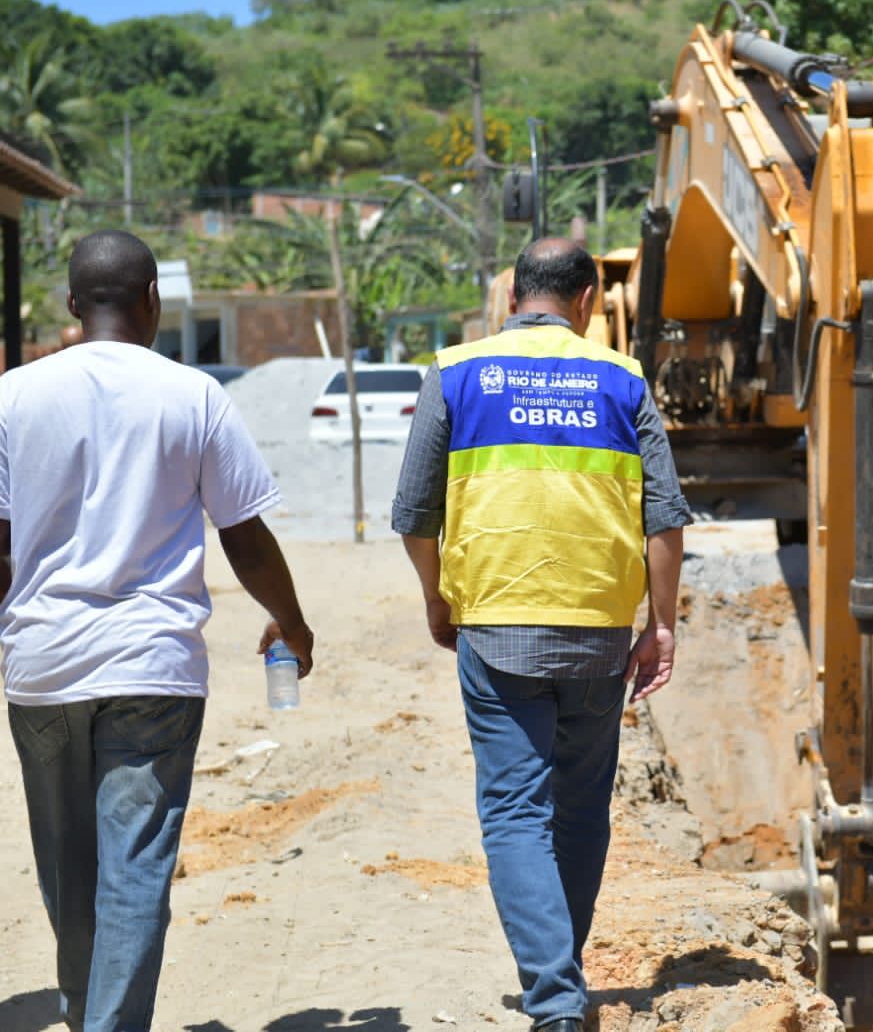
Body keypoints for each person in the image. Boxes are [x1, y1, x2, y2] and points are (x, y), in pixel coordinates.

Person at [1, 229, 315, 1032]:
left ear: (71, 306)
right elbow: (244, 537)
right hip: (152, 668)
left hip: (42, 666)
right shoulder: (195, 394)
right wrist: (292, 622)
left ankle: (84, 1013)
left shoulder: (14, 396)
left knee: (68, 871)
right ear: (153, 302)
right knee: (134, 870)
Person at [392, 237, 691, 1032]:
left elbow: (413, 513)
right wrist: (660, 624)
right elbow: (663, 517)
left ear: (512, 296)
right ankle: (561, 970)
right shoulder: (622, 377)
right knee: (581, 805)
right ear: (589, 302)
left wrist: (436, 597)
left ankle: (554, 997)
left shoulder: (456, 371)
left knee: (514, 809)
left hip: (494, 624)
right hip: (597, 630)